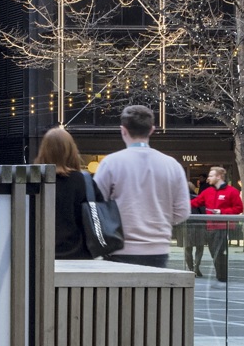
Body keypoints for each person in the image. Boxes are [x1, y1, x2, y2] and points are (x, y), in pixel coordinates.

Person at [93, 104, 190, 268]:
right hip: (158, 249)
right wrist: (159, 220)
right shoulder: (172, 165)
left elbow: (95, 206)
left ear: (123, 130)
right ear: (151, 130)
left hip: (118, 248)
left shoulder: (110, 163)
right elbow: (182, 211)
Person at [34, 125, 94, 261]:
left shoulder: (34, 180)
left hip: (39, 254)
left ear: (43, 150)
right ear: (71, 150)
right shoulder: (84, 181)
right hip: (78, 255)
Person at [186, 164, 243, 282]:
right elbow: (196, 202)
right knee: (214, 253)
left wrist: (222, 212)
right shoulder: (208, 192)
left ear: (219, 176)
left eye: (211, 175)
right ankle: (221, 276)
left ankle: (222, 277)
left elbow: (238, 208)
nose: (208, 178)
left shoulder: (231, 192)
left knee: (219, 253)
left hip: (223, 227)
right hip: (210, 227)